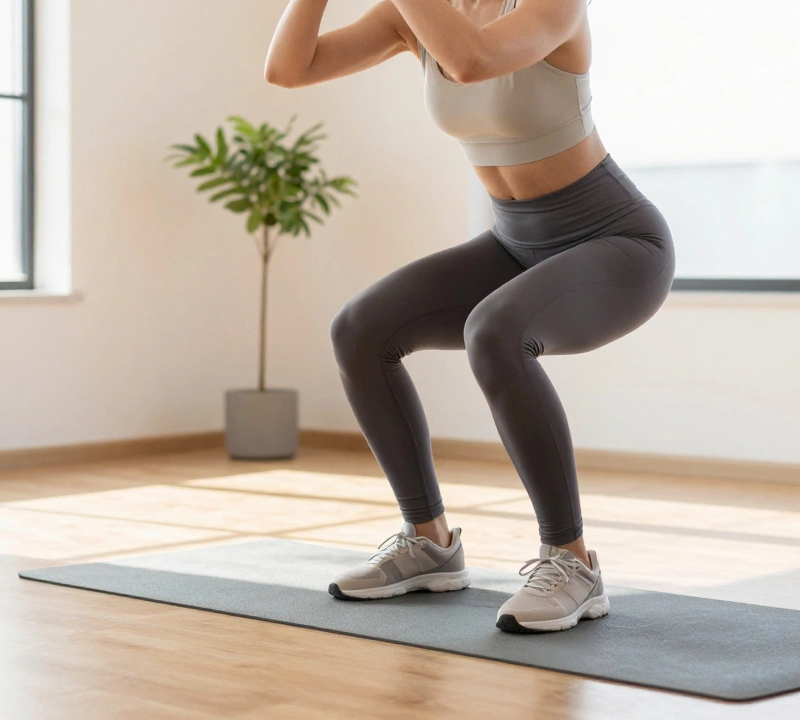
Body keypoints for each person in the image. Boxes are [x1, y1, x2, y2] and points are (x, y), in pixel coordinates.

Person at [265, 0, 674, 633]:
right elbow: (289, 69)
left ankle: (572, 562)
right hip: (516, 242)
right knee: (360, 329)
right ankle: (428, 542)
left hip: (617, 243)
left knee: (495, 331)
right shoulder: (413, 15)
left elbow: (470, 60)